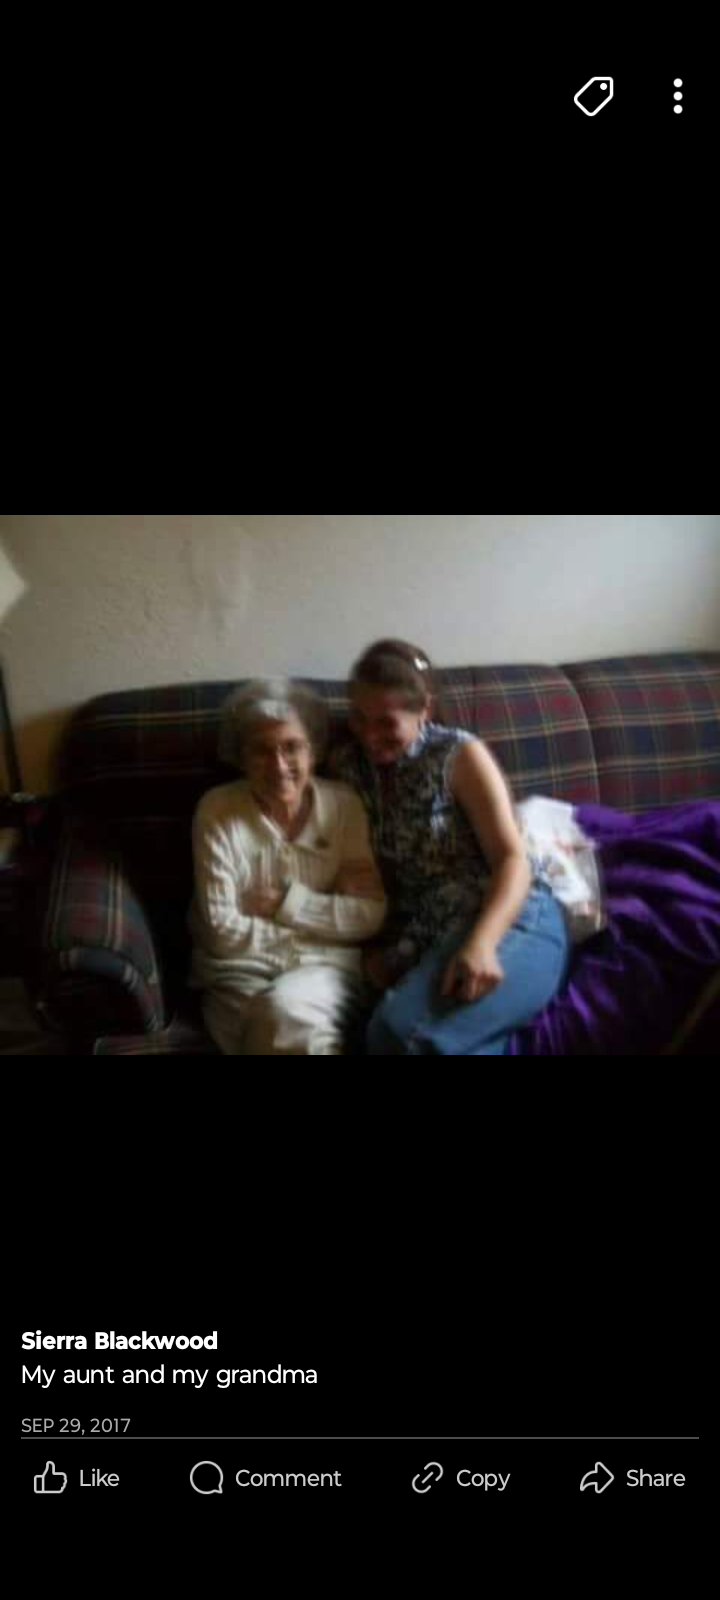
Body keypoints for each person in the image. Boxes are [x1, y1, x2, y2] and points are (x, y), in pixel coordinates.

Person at [333, 639, 572, 1055]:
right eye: (359, 717)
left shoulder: (459, 754)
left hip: (510, 916)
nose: (370, 736)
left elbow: (512, 859)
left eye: (386, 723)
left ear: (424, 708)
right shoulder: (347, 767)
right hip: (426, 935)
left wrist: (482, 943)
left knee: (398, 1035)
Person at [189, 678, 386, 1055]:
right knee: (286, 1029)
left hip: (324, 974)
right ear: (241, 757)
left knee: (285, 1012)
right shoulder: (217, 811)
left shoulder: (344, 807)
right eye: (261, 751)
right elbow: (219, 932)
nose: (278, 765)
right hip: (237, 976)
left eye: (292, 747)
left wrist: (285, 904)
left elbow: (370, 916)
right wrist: (326, 921)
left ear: (314, 751)